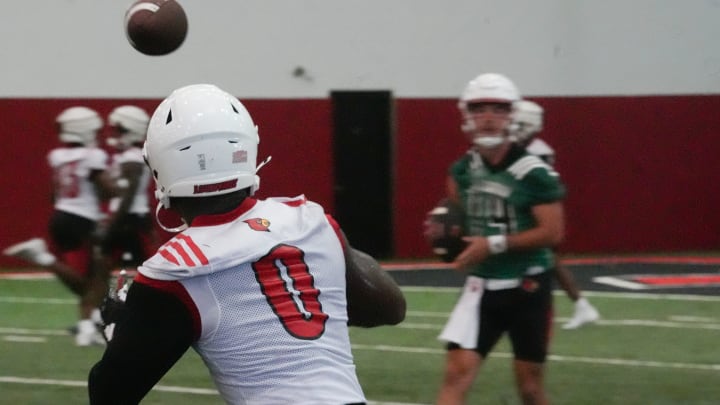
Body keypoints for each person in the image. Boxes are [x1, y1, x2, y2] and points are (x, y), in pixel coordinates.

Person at [87, 84, 406, 404]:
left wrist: (121, 329)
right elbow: (390, 308)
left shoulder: (175, 268)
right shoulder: (309, 221)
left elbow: (110, 393)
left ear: (160, 166)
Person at [434, 73, 564, 405]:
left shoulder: (533, 172)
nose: (488, 117)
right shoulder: (461, 171)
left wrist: (492, 244)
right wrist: (446, 234)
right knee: (455, 376)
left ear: (512, 115)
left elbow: (553, 232)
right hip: (481, 288)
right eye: (479, 109)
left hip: (528, 287)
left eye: (498, 108)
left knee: (531, 390)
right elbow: (462, 222)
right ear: (467, 115)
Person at [3, 106, 117, 346]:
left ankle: (89, 325)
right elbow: (106, 188)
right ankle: (44, 259)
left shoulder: (58, 156)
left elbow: (54, 195)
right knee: (97, 276)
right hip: (82, 219)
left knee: (88, 279)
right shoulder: (92, 156)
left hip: (61, 216)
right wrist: (120, 187)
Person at [512, 99, 600, 330]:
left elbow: (541, 187)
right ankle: (580, 305)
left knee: (545, 263)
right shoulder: (531, 149)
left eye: (518, 125)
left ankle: (576, 305)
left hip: (536, 215)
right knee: (547, 263)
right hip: (529, 213)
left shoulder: (535, 153)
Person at [99, 105, 157, 270]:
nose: (113, 134)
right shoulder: (127, 156)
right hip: (128, 217)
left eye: (118, 130)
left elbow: (128, 196)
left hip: (131, 219)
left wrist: (112, 223)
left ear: (130, 131)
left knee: (145, 268)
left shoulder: (132, 158)